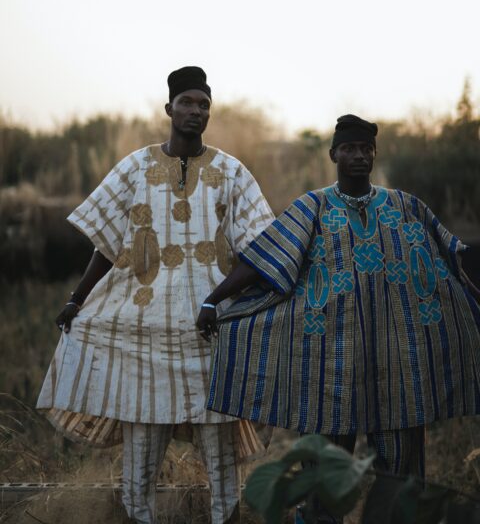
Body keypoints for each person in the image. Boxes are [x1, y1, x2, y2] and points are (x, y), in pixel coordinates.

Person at [197, 114, 480, 522]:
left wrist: (473, 297)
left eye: (366, 149)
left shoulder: (405, 206)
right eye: (349, 148)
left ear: (374, 153)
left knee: (401, 476)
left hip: (399, 368)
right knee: (325, 471)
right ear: (333, 154)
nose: (359, 156)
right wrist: (214, 300)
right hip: (333, 369)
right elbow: (264, 259)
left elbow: (451, 257)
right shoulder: (311, 207)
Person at [37, 66, 273, 524]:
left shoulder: (232, 173)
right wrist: (77, 298)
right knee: (141, 456)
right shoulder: (136, 167)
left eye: (204, 104)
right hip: (143, 337)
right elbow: (106, 244)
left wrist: (215, 300)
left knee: (220, 459)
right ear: (169, 108)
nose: (196, 111)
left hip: (210, 337)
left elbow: (258, 252)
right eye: (187, 102)